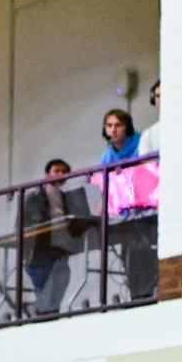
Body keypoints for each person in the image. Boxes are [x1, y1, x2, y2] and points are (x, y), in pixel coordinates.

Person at [95, 108, 159, 300]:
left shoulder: (141, 144)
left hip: (147, 209)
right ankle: (136, 295)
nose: (113, 130)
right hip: (125, 214)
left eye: (118, 125)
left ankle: (148, 292)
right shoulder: (106, 157)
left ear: (127, 127)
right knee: (128, 254)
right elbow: (106, 189)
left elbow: (147, 174)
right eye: (109, 126)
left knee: (144, 253)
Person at [22, 159, 83, 317]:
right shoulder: (34, 197)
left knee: (61, 279)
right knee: (44, 284)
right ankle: (43, 312)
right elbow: (26, 223)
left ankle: (43, 311)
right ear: (47, 174)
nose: (60, 174)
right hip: (39, 250)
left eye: (64, 172)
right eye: (57, 171)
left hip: (59, 249)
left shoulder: (66, 198)